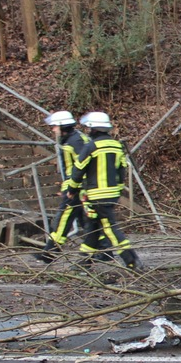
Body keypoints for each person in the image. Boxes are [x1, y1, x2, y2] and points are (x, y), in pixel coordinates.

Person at [66, 112, 139, 269]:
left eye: (88, 128)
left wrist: (71, 189)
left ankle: (132, 260)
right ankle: (85, 260)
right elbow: (122, 169)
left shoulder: (91, 146)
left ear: (93, 129)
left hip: (96, 194)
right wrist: (118, 190)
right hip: (112, 194)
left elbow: (78, 169)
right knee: (92, 226)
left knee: (109, 227)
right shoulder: (116, 145)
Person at [35, 110, 89, 263]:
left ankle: (50, 252)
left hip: (77, 188)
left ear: (63, 126)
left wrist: (73, 188)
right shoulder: (74, 139)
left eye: (55, 126)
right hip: (77, 186)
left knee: (63, 219)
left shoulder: (75, 142)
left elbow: (83, 165)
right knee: (86, 222)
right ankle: (100, 251)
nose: (53, 130)